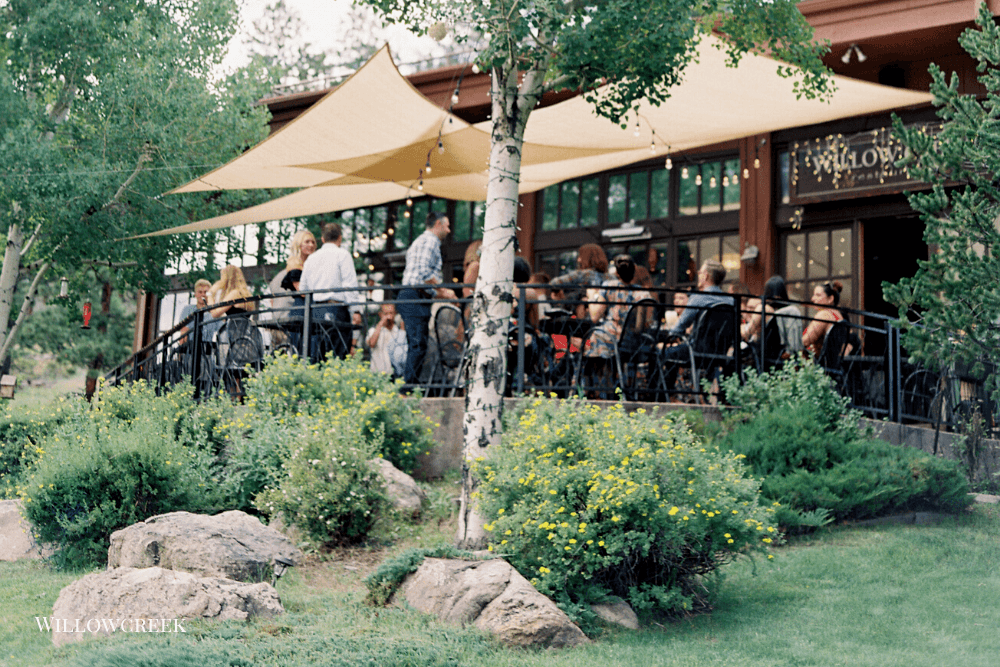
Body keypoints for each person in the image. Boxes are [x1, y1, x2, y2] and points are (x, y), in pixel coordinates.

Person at [397, 211, 457, 385]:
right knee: (418, 345)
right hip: (414, 297)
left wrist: (441, 292)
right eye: (446, 225)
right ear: (437, 224)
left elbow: (422, 278)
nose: (449, 230)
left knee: (416, 344)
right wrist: (444, 291)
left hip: (412, 296)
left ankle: (409, 385)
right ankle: (407, 388)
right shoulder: (430, 241)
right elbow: (424, 273)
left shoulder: (419, 241)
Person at [661, 259, 734, 394]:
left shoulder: (699, 298)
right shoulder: (731, 301)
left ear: (705, 275)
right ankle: (713, 396)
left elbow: (679, 327)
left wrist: (670, 335)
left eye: (700, 272)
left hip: (697, 352)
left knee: (665, 354)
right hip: (721, 352)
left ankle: (666, 396)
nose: (698, 275)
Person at [299, 223, 362, 360]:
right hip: (337, 309)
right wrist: (356, 310)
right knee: (338, 355)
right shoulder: (343, 255)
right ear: (339, 238)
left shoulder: (311, 258)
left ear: (322, 239)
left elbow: (303, 289)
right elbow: (349, 285)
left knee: (317, 354)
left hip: (315, 310)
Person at [549, 243, 608, 318]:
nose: (578, 260)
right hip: (605, 315)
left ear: (587, 258)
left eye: (580, 256)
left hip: (587, 318)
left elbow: (554, 282)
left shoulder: (584, 274)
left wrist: (558, 292)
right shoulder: (610, 277)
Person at [269, 229, 316, 320]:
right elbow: (301, 292)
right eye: (307, 242)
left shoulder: (311, 263)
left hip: (309, 305)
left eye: (313, 242)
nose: (311, 245)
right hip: (301, 307)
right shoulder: (294, 264)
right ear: (299, 244)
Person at [802, 281, 846, 357]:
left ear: (830, 299)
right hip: (833, 365)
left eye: (818, 295)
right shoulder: (839, 316)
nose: (812, 298)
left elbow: (805, 342)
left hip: (819, 365)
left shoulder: (824, 314)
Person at [367, 302, 407, 377]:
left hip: (394, 374)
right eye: (386, 314)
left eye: (391, 313)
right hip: (377, 373)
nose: (389, 317)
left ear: (395, 314)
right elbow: (371, 344)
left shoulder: (398, 332)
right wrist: (381, 324)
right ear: (380, 314)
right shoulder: (373, 330)